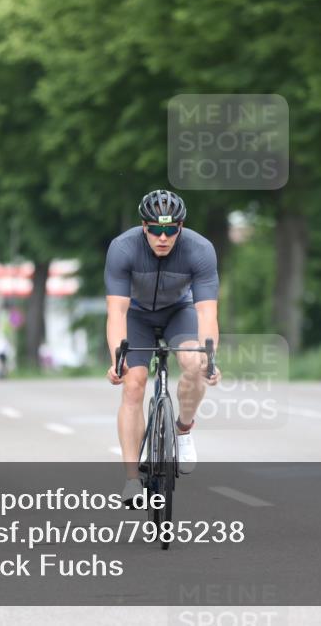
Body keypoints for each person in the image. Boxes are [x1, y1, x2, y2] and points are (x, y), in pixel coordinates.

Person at [105, 190, 221, 506]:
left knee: (194, 363)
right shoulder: (122, 249)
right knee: (134, 384)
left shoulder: (200, 250)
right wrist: (119, 358)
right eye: (156, 229)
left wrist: (210, 357)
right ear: (144, 226)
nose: (163, 237)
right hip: (137, 317)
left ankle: (183, 430)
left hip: (178, 314)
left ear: (181, 228)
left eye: (171, 230)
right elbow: (116, 311)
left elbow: (206, 312)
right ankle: (131, 479)